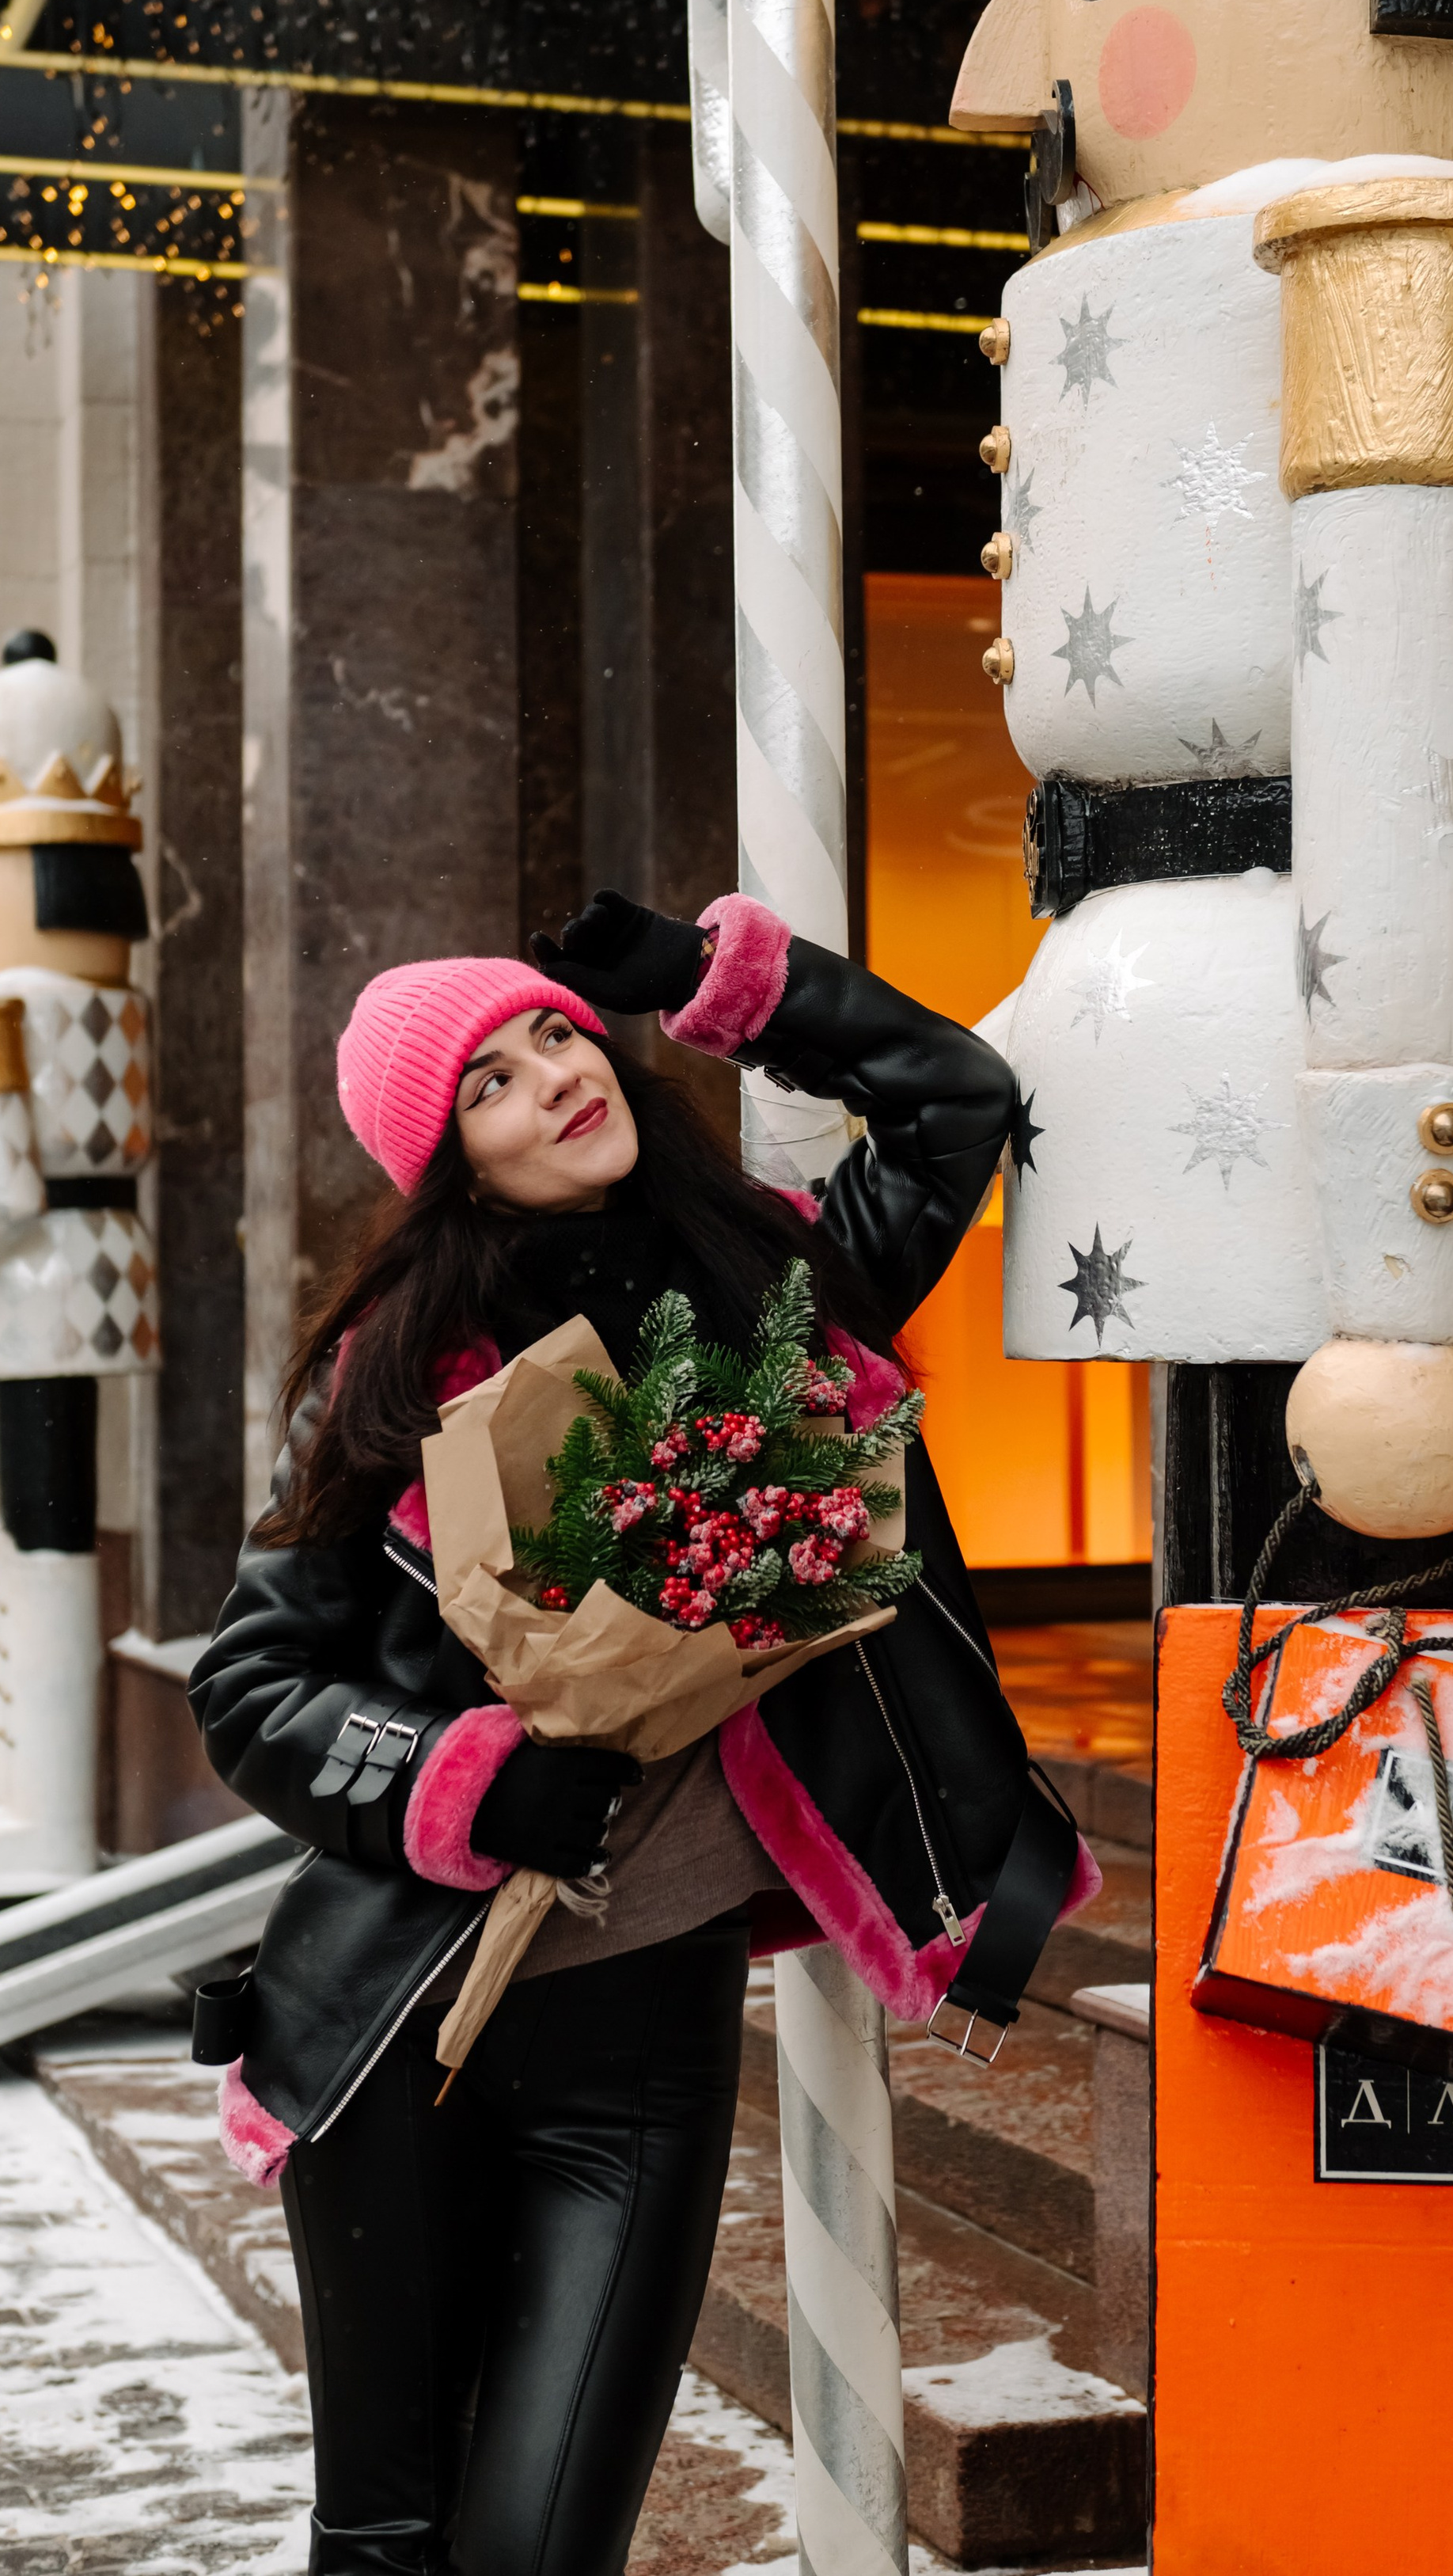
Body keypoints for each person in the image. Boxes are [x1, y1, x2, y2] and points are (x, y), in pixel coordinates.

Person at [189, 886, 1098, 2576]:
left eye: (552, 1031)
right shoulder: (393, 1378)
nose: (548, 1076)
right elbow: (248, 1691)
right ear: (447, 1159)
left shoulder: (774, 1292)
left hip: (642, 2047)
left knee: (544, 2549)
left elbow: (953, 1098)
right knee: (387, 2543)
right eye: (488, 1081)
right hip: (398, 2033)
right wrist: (468, 1783)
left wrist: (714, 984)